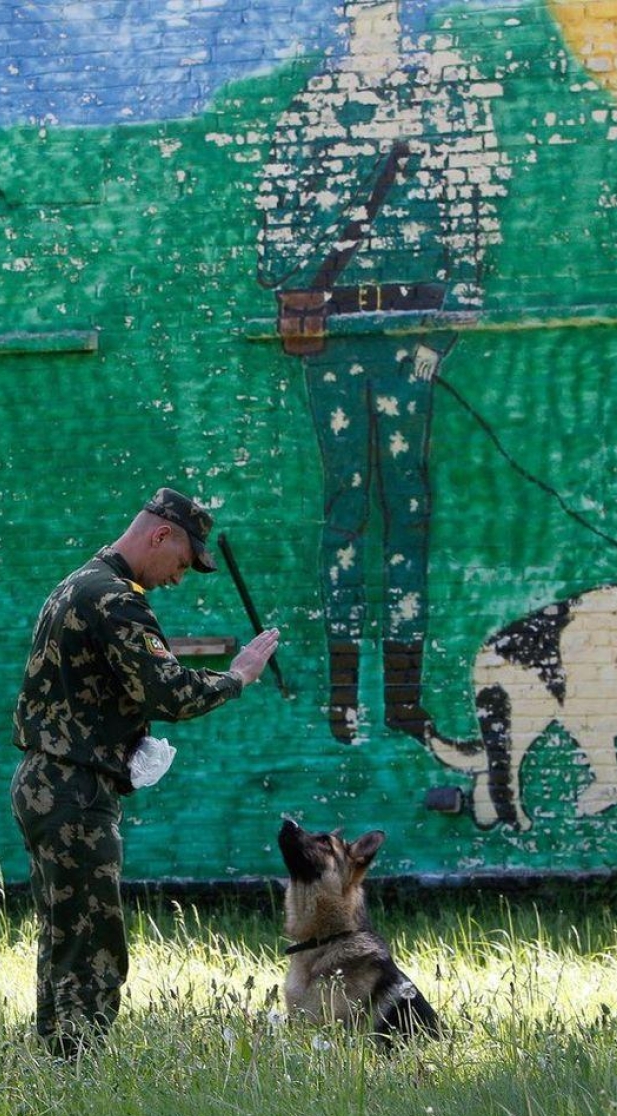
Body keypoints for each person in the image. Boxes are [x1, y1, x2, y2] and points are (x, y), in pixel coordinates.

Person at [256, 0, 505, 744]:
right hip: (332, 332)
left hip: (411, 329)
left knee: (409, 509)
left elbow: (475, 215)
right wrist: (329, 207)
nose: (376, 19)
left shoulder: (440, 95)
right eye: (362, 9)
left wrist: (446, 332)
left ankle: (401, 698)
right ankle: (342, 700)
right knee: (344, 511)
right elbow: (271, 242)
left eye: (387, 9)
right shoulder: (314, 104)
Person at [10, 487, 280, 1058]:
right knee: (93, 941)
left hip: (46, 780)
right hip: (74, 790)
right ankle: (76, 1070)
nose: (179, 578)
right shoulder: (116, 598)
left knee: (64, 933)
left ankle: (58, 1062)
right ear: (160, 535)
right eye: (182, 562)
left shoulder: (76, 583)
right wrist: (237, 677)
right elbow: (170, 692)